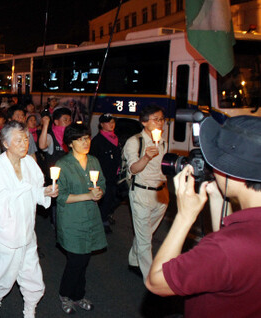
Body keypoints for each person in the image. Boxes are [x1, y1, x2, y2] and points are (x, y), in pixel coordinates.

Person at [146, 116, 261, 317]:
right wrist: (217, 196)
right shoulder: (241, 237)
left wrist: (184, 216)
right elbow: (230, 265)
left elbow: (156, 282)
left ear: (232, 172)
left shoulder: (226, 247)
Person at [0, 120, 58, 318]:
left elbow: (37, 193)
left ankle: (29, 310)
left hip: (27, 231)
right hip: (3, 234)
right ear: (5, 144)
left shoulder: (30, 163)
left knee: (32, 276)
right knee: (1, 277)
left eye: (26, 139)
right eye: (18, 140)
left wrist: (47, 191)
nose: (25, 144)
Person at [55, 123, 106, 314]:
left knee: (84, 259)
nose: (86, 142)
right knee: (76, 260)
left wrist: (99, 192)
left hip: (91, 218)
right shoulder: (63, 165)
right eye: (80, 139)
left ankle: (78, 295)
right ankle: (65, 294)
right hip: (72, 220)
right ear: (70, 143)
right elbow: (60, 197)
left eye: (87, 138)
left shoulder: (93, 161)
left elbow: (102, 183)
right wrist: (87, 196)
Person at [123, 105, 168, 279]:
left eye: (162, 119)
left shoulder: (163, 140)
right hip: (142, 193)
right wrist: (147, 157)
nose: (160, 122)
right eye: (156, 119)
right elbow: (133, 169)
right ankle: (151, 278)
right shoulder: (135, 141)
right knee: (145, 239)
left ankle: (134, 260)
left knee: (146, 233)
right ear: (144, 122)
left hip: (161, 194)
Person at [89, 113, 122, 233]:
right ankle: (103, 220)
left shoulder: (115, 138)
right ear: (102, 125)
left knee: (117, 196)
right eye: (108, 122)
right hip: (104, 176)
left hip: (115, 174)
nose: (111, 125)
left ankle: (106, 214)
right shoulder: (97, 141)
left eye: (113, 122)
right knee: (106, 198)